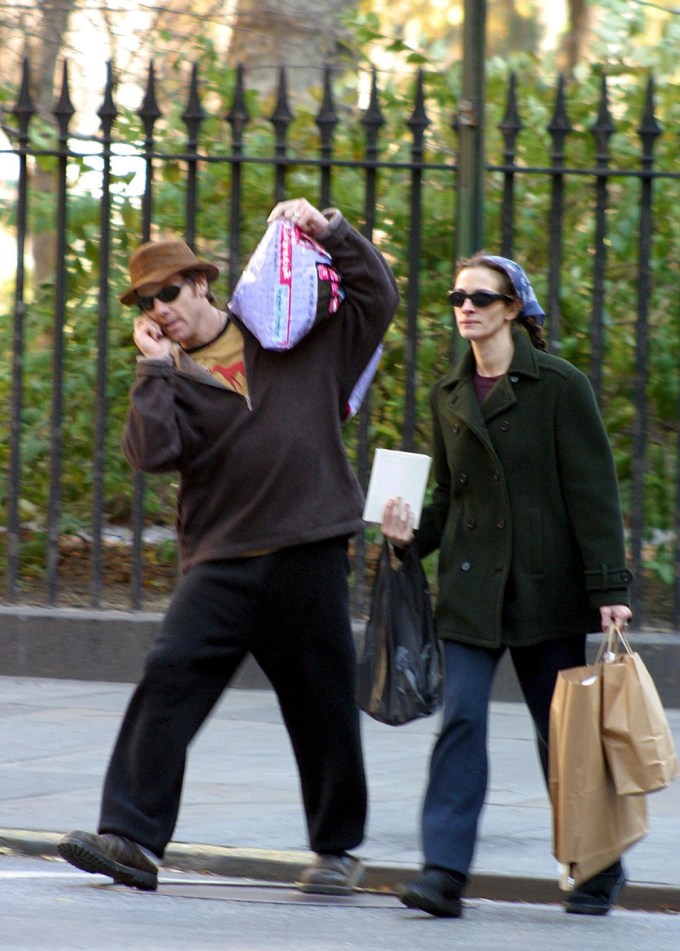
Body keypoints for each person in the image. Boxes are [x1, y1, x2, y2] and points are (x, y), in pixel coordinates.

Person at [58, 198, 399, 895]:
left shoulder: (295, 332)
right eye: (147, 303)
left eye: (170, 292)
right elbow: (152, 454)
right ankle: (129, 837)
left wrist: (328, 229)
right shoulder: (170, 376)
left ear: (203, 283)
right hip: (221, 560)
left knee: (323, 704)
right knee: (168, 675)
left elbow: (379, 296)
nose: (161, 309)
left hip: (308, 547)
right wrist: (153, 370)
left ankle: (336, 850)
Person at [381, 252, 632, 918]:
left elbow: (594, 492)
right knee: (461, 720)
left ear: (513, 308)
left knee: (564, 737)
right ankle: (443, 870)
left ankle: (599, 865)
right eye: (457, 295)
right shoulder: (449, 393)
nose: (466, 305)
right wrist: (408, 533)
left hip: (542, 588)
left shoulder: (559, 385)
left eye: (481, 297)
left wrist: (610, 585)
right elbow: (450, 497)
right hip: (469, 591)